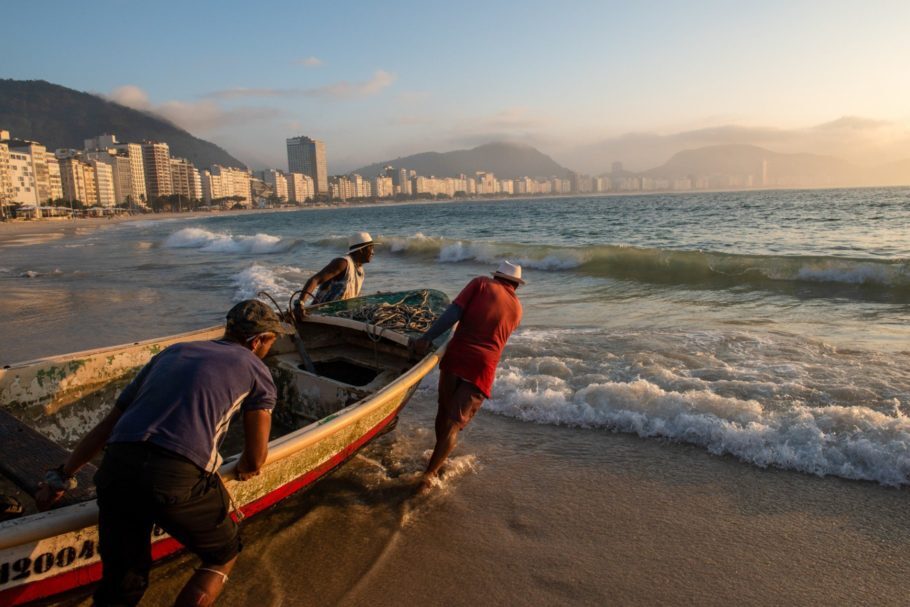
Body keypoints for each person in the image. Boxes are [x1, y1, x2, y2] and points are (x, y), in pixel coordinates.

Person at [36, 300, 294, 607]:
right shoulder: (255, 370)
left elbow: (108, 425)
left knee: (124, 582)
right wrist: (249, 467)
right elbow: (254, 459)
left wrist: (61, 476)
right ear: (257, 341)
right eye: (270, 342)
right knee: (224, 553)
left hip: (116, 467)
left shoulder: (173, 353)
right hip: (175, 477)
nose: (268, 350)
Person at [410, 260, 524, 492]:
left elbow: (454, 313)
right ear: (516, 285)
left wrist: (427, 337)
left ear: (497, 277)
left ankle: (434, 464)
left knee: (444, 410)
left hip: (458, 355)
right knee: (454, 424)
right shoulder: (518, 308)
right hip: (483, 366)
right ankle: (431, 473)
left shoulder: (481, 283)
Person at [298, 231, 374, 309]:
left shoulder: (360, 270)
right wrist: (300, 303)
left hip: (340, 314)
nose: (373, 252)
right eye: (371, 248)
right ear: (361, 250)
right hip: (321, 312)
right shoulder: (343, 263)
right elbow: (315, 280)